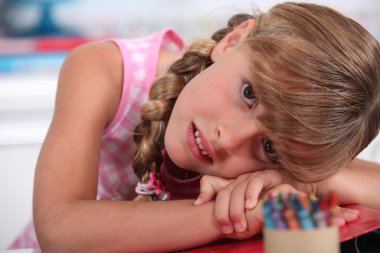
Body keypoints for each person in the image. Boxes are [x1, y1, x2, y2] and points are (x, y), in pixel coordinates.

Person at [9, 2, 380, 252]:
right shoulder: (106, 70)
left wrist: (309, 181)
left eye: (269, 148)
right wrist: (229, 218)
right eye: (249, 93)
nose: (229, 139)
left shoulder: (279, 162)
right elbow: (59, 230)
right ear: (234, 41)